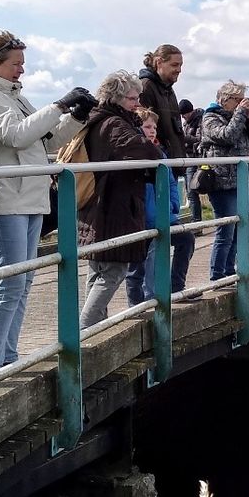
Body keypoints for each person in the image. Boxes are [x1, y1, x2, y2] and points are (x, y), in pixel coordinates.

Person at [0, 31, 94, 376]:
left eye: (23, 63)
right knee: (9, 282)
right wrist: (59, 105)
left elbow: (45, 139)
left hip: (30, 197)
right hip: (4, 198)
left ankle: (7, 356)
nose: (21, 70)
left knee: (23, 282)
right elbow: (16, 135)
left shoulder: (15, 97)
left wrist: (77, 117)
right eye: (16, 63)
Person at [78, 71, 164, 328]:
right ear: (116, 98)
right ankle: (83, 330)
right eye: (132, 98)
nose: (137, 103)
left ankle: (92, 328)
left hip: (98, 205)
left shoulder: (96, 120)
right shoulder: (114, 123)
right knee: (113, 271)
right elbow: (146, 150)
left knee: (98, 270)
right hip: (113, 206)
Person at [123, 108, 197, 303]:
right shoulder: (135, 153)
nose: (153, 130)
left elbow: (170, 181)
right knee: (138, 264)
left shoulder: (160, 152)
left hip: (163, 216)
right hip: (142, 218)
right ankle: (137, 304)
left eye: (154, 127)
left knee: (186, 239)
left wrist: (174, 203)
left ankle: (176, 287)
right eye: (147, 126)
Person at [199, 80, 249, 280]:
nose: (241, 103)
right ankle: (216, 275)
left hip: (243, 181)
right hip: (222, 182)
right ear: (225, 100)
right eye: (237, 99)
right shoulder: (210, 117)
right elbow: (227, 136)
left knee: (238, 232)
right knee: (225, 232)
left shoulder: (240, 117)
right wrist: (240, 114)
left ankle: (229, 270)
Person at [138, 44, 186, 165]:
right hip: (159, 162)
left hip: (174, 161)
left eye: (180, 65)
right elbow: (143, 126)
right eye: (174, 65)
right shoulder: (146, 86)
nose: (179, 70)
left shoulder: (169, 90)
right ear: (159, 62)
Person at [179, 99, 204, 222]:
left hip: (196, 158)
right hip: (189, 158)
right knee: (191, 192)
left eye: (184, 114)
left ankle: (196, 220)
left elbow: (200, 139)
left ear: (190, 111)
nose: (183, 117)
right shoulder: (186, 123)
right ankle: (196, 220)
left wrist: (183, 138)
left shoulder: (201, 120)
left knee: (193, 191)